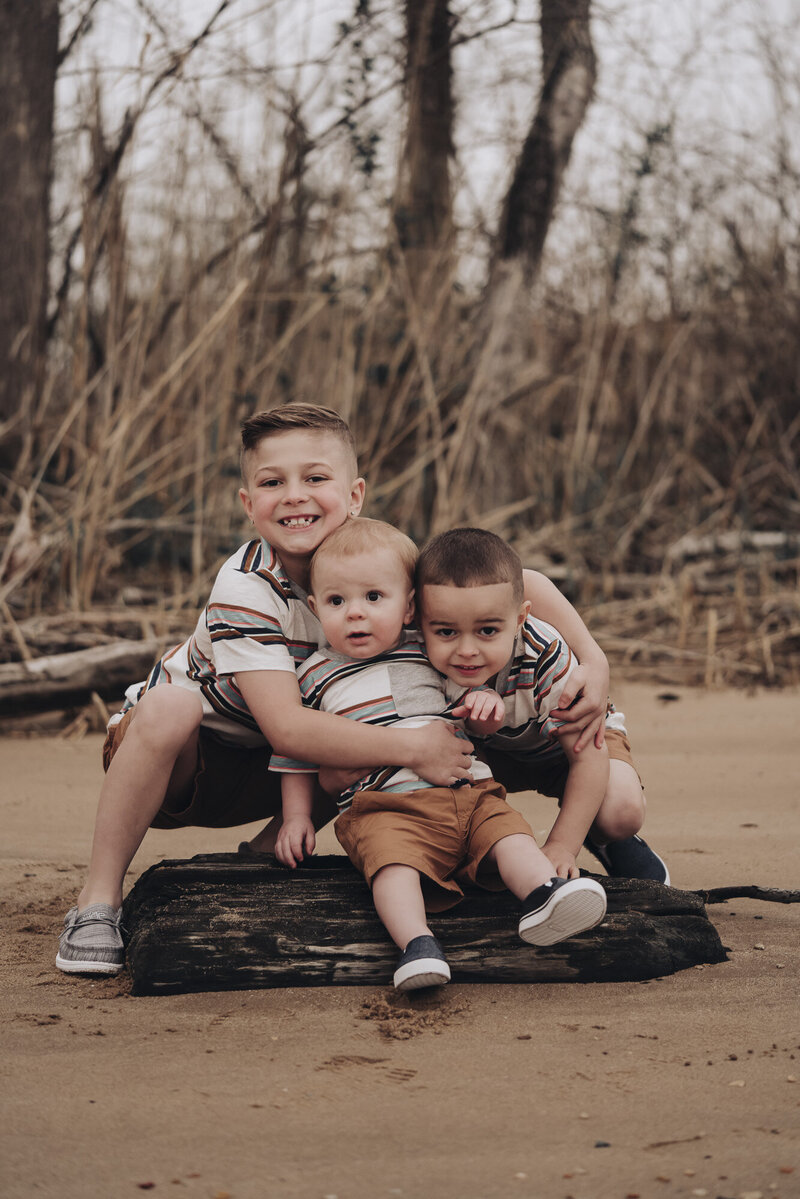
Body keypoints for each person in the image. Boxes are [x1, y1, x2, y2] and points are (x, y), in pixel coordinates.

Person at [55, 404, 613, 975]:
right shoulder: (246, 587)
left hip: (278, 771)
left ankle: (272, 845)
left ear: (354, 495)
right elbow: (288, 729)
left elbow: (524, 582)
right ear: (249, 505)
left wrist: (592, 657)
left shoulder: (376, 556)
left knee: (392, 701)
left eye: (316, 478)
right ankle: (98, 901)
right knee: (173, 706)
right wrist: (417, 748)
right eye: (273, 483)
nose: (296, 496)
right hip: (182, 757)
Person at [271, 518, 608, 992]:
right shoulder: (312, 675)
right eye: (336, 601)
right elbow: (298, 752)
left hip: (466, 790)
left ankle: (545, 894)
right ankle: (417, 944)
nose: (355, 614)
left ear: (408, 607)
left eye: (373, 598)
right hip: (384, 806)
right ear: (314, 607)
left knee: (506, 832)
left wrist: (484, 709)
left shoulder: (427, 649)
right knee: (393, 866)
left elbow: (466, 711)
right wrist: (296, 816)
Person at [415, 528, 669, 885]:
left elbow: (587, 757)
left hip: (563, 748)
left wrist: (563, 846)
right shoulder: (416, 657)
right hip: (486, 756)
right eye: (446, 632)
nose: (467, 649)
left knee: (620, 812)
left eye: (487, 631)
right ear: (417, 620)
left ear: (520, 619)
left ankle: (601, 835)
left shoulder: (545, 653)